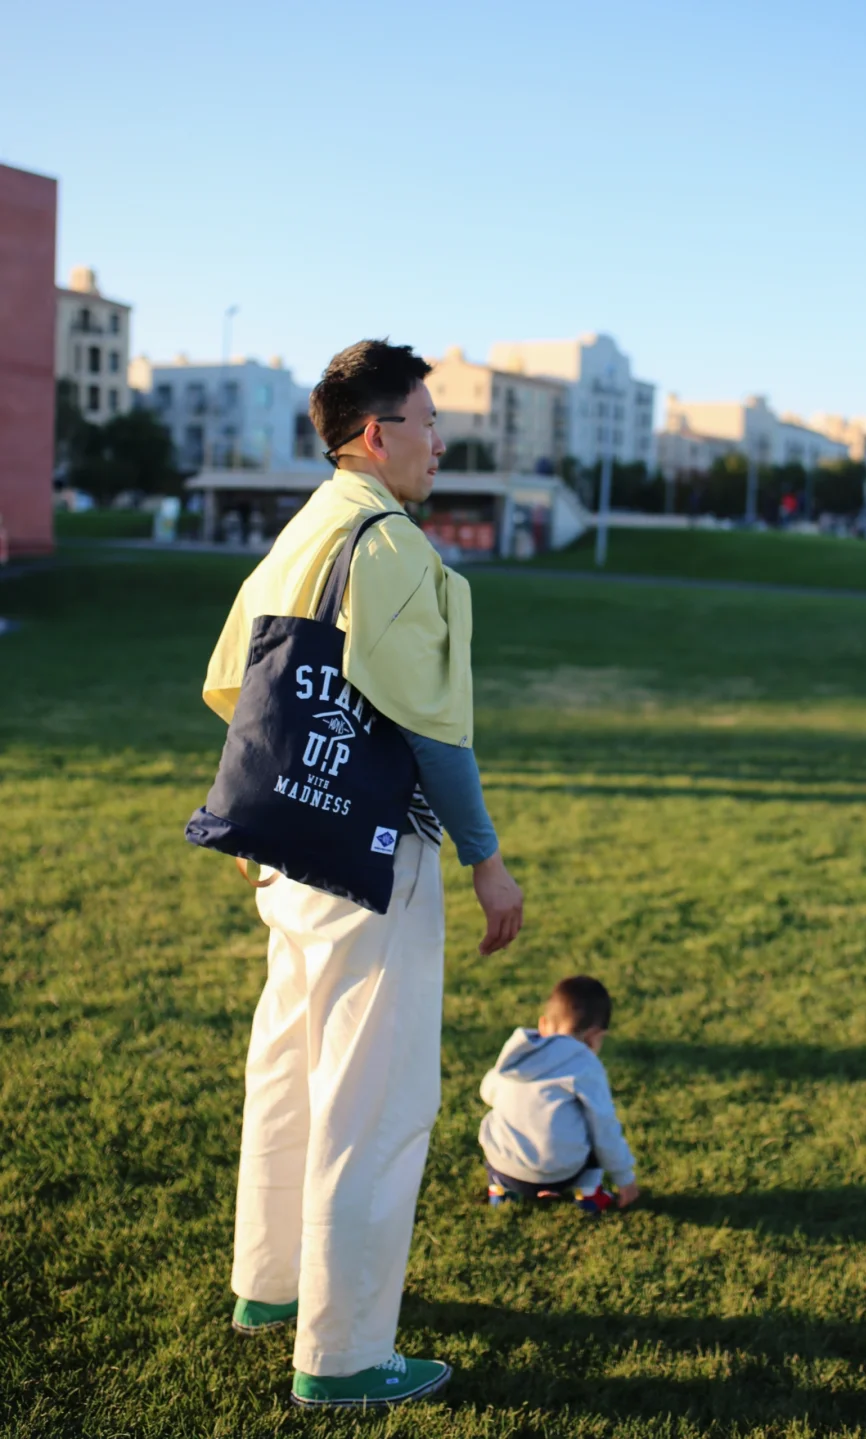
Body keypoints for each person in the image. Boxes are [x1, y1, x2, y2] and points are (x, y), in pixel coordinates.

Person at [200, 340, 524, 1411]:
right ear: (377, 433)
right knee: (371, 1099)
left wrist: (270, 811)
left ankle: (270, 1284)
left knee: (290, 1066)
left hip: (292, 850)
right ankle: (342, 1356)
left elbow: (230, 680)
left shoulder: (306, 523)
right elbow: (435, 733)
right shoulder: (388, 543)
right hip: (373, 856)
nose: (441, 438)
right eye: (428, 420)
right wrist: (487, 858)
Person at [479, 976, 638, 1215]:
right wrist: (625, 1178)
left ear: (543, 1025)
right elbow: (605, 1129)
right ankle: (588, 1193)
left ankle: (502, 1192)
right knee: (594, 1122)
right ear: (595, 1037)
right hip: (563, 1174)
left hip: (508, 1169)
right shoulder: (585, 1065)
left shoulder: (517, 1056)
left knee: (495, 1121)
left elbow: (487, 1092)